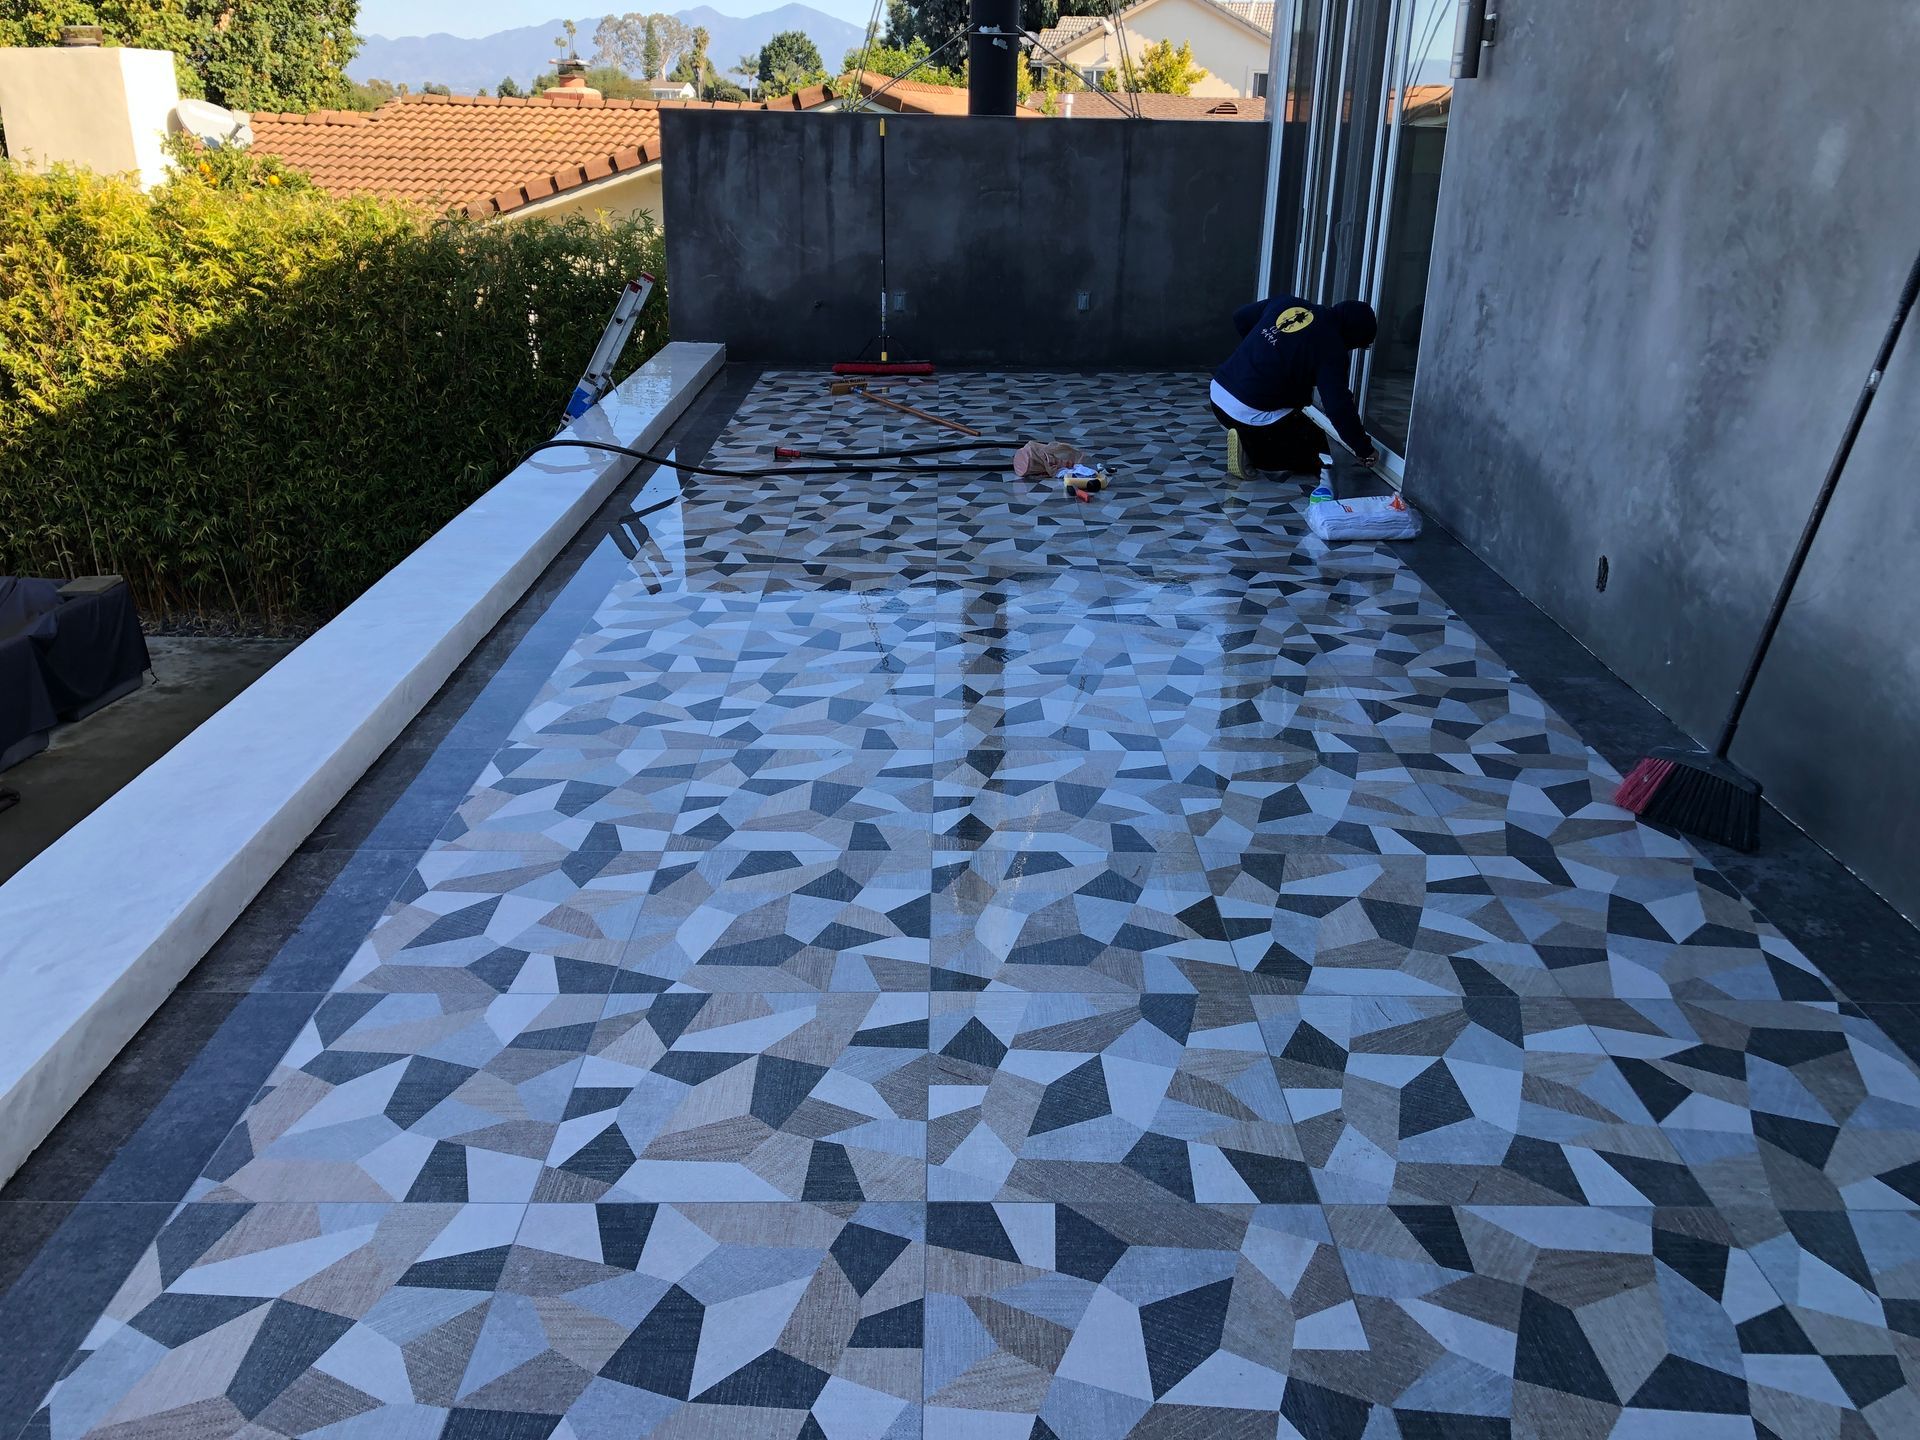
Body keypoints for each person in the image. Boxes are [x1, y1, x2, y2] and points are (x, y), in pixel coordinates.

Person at [1211, 296, 1379, 476]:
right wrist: (1363, 449)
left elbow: (1240, 316)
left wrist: (1260, 352)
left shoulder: (1287, 303)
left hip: (1218, 394)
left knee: (1293, 418)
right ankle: (1251, 450)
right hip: (1250, 411)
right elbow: (1338, 407)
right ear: (1352, 336)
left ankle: (1243, 432)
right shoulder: (1332, 347)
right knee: (1320, 453)